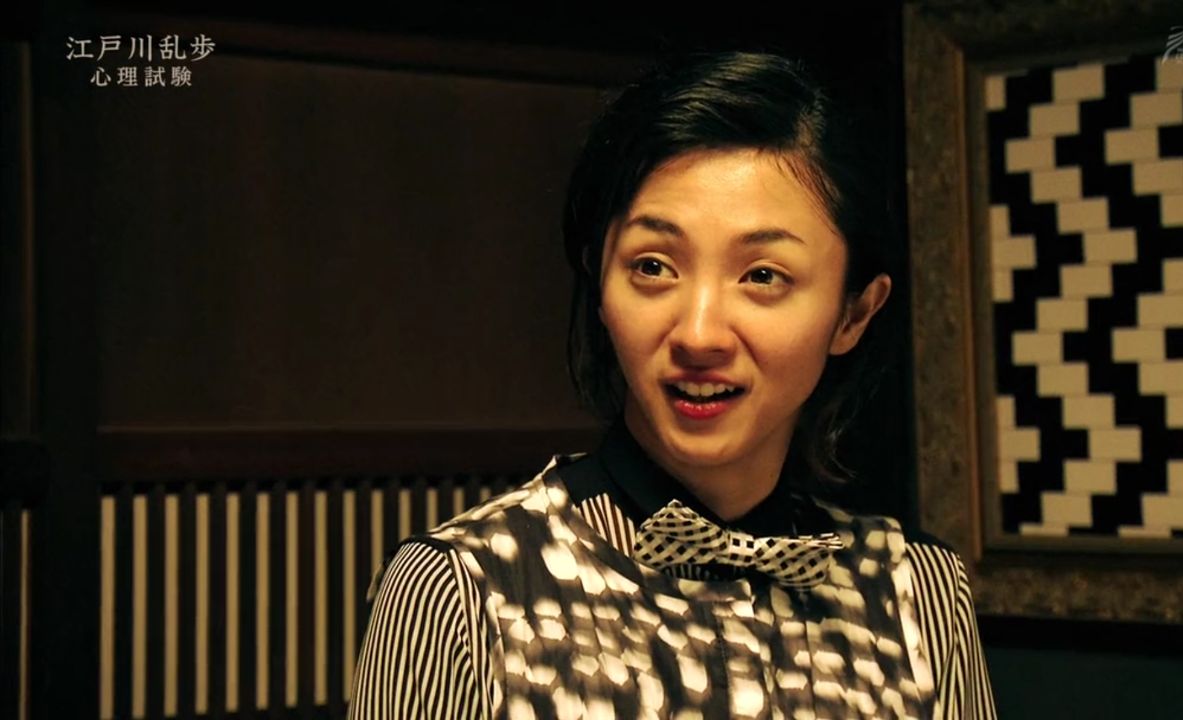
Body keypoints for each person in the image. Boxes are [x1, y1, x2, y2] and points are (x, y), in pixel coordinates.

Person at [349, 50, 996, 719]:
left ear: (853, 313)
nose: (699, 334)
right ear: (599, 281)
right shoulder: (464, 589)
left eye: (763, 276)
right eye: (654, 266)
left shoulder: (916, 592)